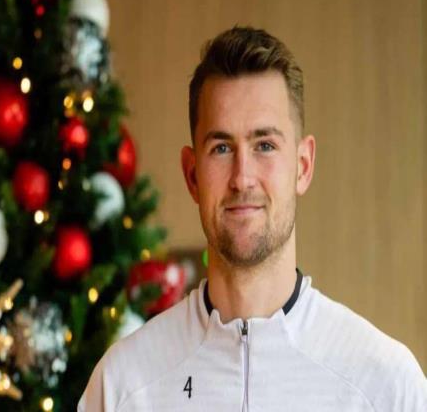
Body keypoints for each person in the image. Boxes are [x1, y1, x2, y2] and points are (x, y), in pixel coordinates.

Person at [78, 27, 427, 411]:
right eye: (221, 148)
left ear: (303, 166)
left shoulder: (387, 387)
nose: (242, 178)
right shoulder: (123, 385)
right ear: (192, 175)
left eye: (265, 145)